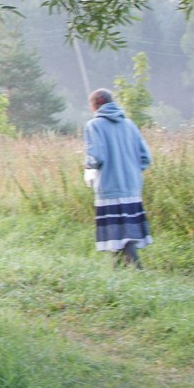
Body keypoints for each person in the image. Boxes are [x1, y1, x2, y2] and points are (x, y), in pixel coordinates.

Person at [83, 87, 152, 268]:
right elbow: (146, 157)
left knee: (120, 234)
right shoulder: (129, 125)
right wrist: (132, 172)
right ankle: (118, 271)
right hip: (132, 186)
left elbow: (95, 157)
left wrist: (88, 168)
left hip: (109, 186)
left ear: (95, 105)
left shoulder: (94, 125)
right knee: (121, 234)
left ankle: (138, 271)